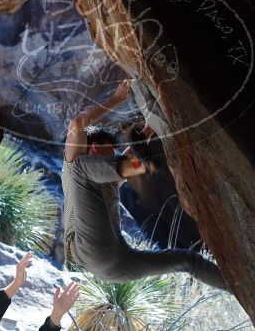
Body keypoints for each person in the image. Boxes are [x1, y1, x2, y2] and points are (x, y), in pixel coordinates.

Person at [62, 79, 229, 290]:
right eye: (110, 150)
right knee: (82, 168)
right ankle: (146, 164)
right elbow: (77, 124)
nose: (114, 153)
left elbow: (129, 161)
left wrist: (150, 126)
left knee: (188, 261)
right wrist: (117, 98)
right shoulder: (74, 164)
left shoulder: (110, 180)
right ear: (93, 147)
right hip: (88, 252)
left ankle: (242, 290)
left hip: (116, 266)